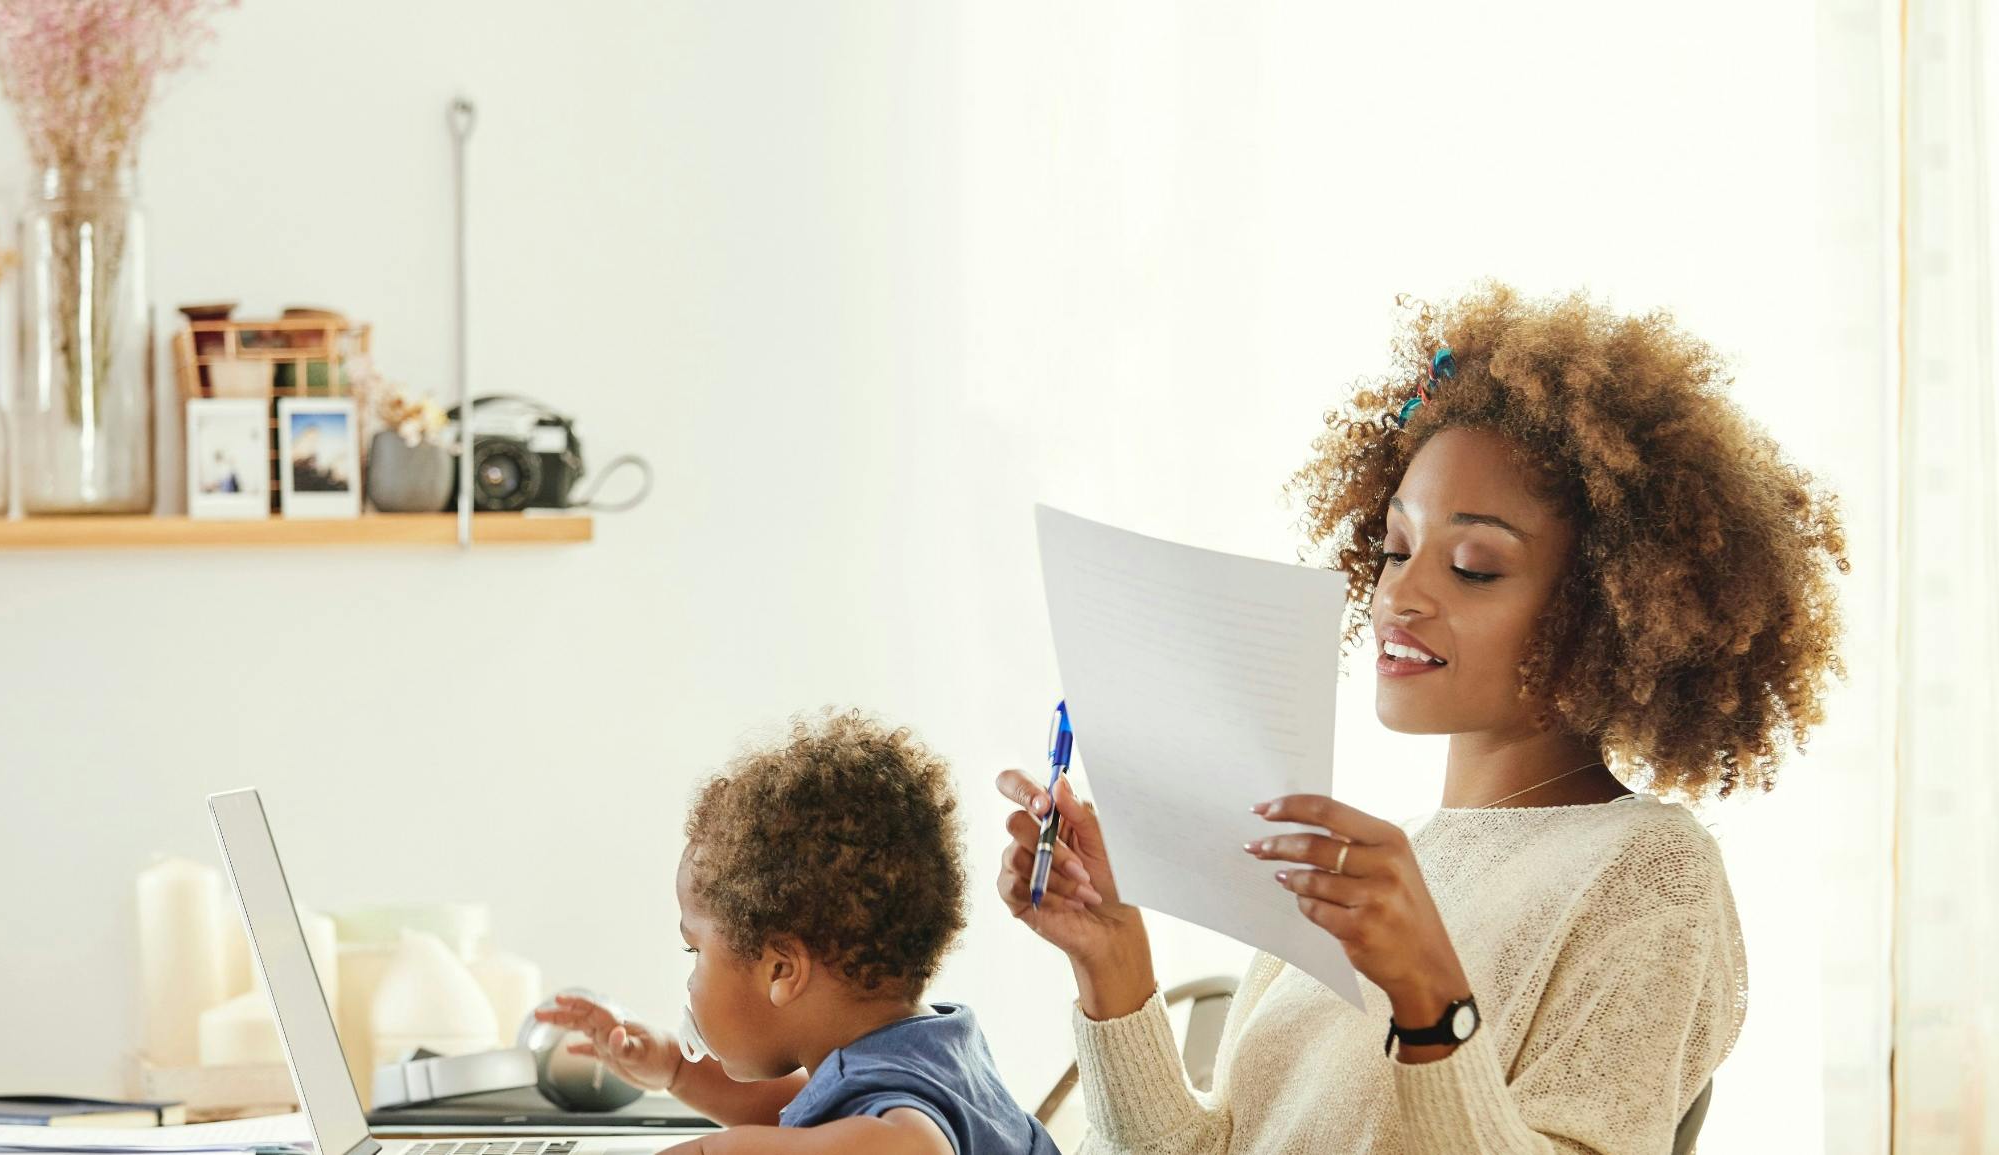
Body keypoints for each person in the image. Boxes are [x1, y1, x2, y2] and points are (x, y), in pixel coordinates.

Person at [997, 284, 1848, 1153]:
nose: (1400, 594)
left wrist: (1431, 1000)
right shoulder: (1377, 871)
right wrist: (1114, 965)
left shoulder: (1649, 871)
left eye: (1474, 566)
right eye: (1397, 549)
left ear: (1601, 613)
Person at [541, 710, 1059, 1155]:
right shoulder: (925, 1046)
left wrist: (711, 1150)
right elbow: (795, 1113)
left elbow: (913, 1147)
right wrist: (675, 1070)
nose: (691, 981)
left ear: (782, 970)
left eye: (694, 949)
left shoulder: (892, 1091)